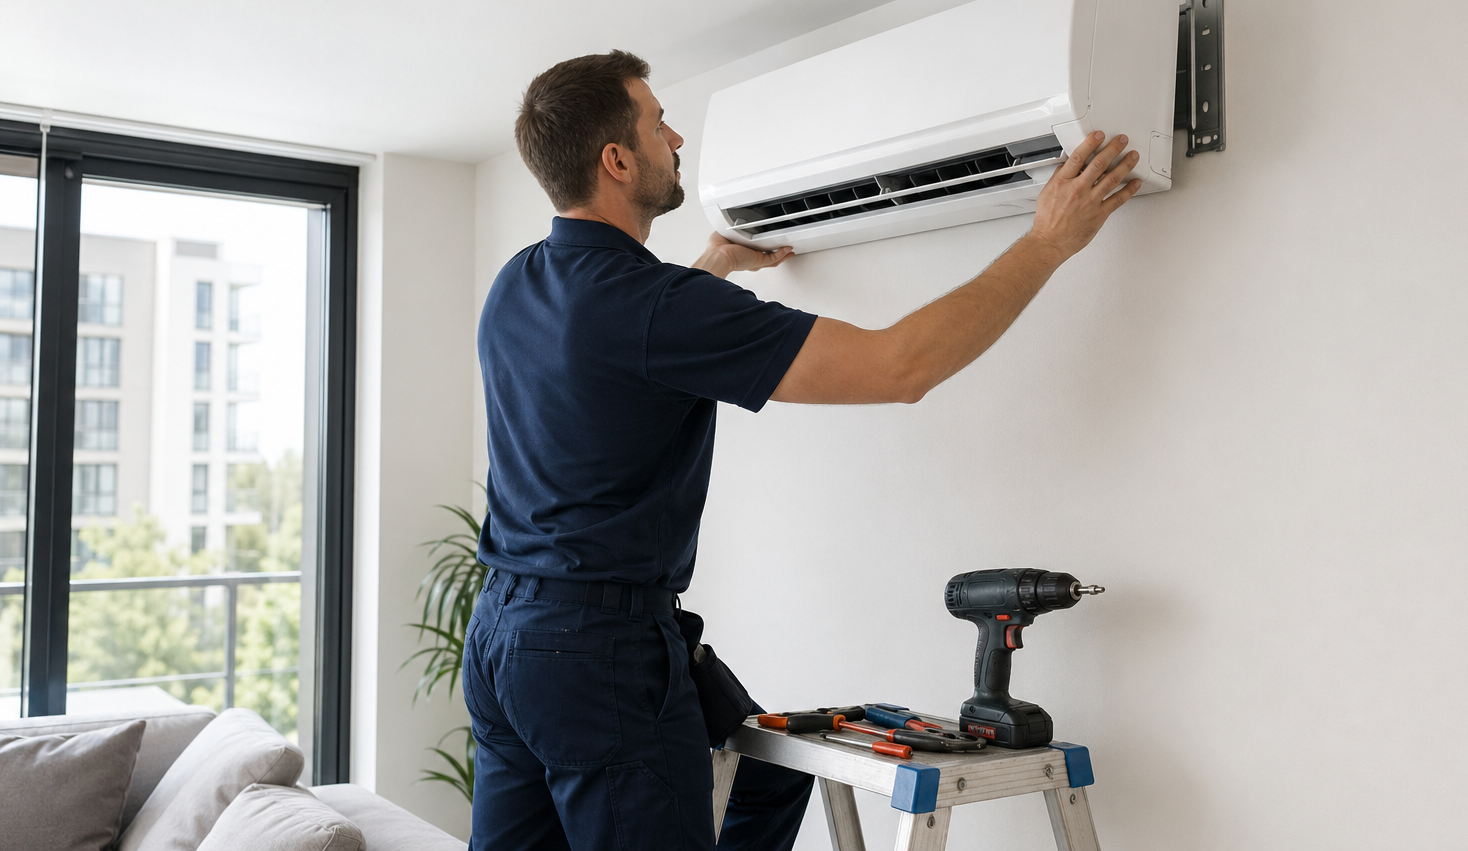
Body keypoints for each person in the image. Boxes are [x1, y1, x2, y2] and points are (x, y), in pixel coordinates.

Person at [463, 50, 1142, 851]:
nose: (675, 136)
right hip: (595, 652)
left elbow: (614, 347)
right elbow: (902, 366)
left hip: (505, 638)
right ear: (615, 160)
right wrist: (1048, 242)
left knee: (768, 778)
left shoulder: (521, 281)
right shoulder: (656, 309)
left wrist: (713, 266)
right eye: (656, 123)